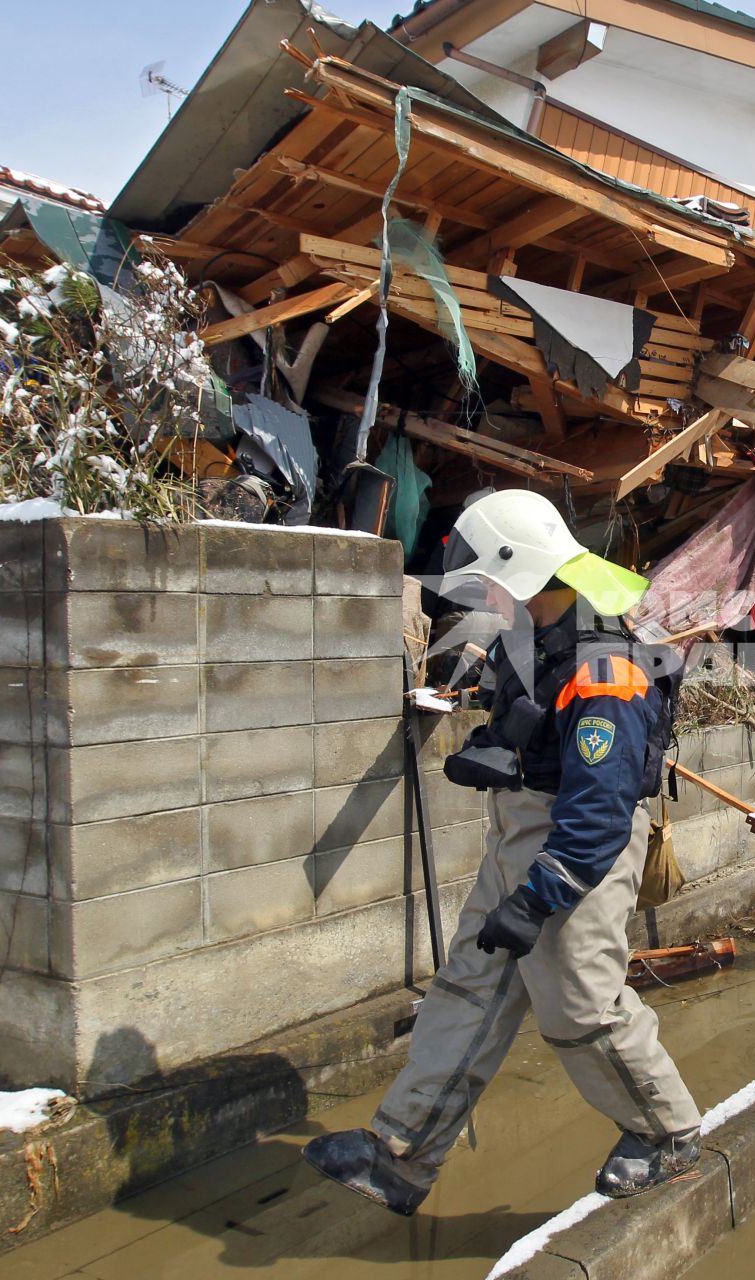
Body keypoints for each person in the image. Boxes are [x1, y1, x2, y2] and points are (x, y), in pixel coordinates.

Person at [303, 489, 701, 1215]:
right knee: (469, 986)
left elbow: (600, 808)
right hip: (519, 833)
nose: (476, 590)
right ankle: (401, 1155)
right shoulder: (533, 638)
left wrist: (539, 897)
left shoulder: (605, 664)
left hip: (576, 851)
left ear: (520, 568)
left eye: (483, 574)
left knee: (581, 1006)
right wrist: (489, 748)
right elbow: (526, 722)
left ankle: (665, 1132)